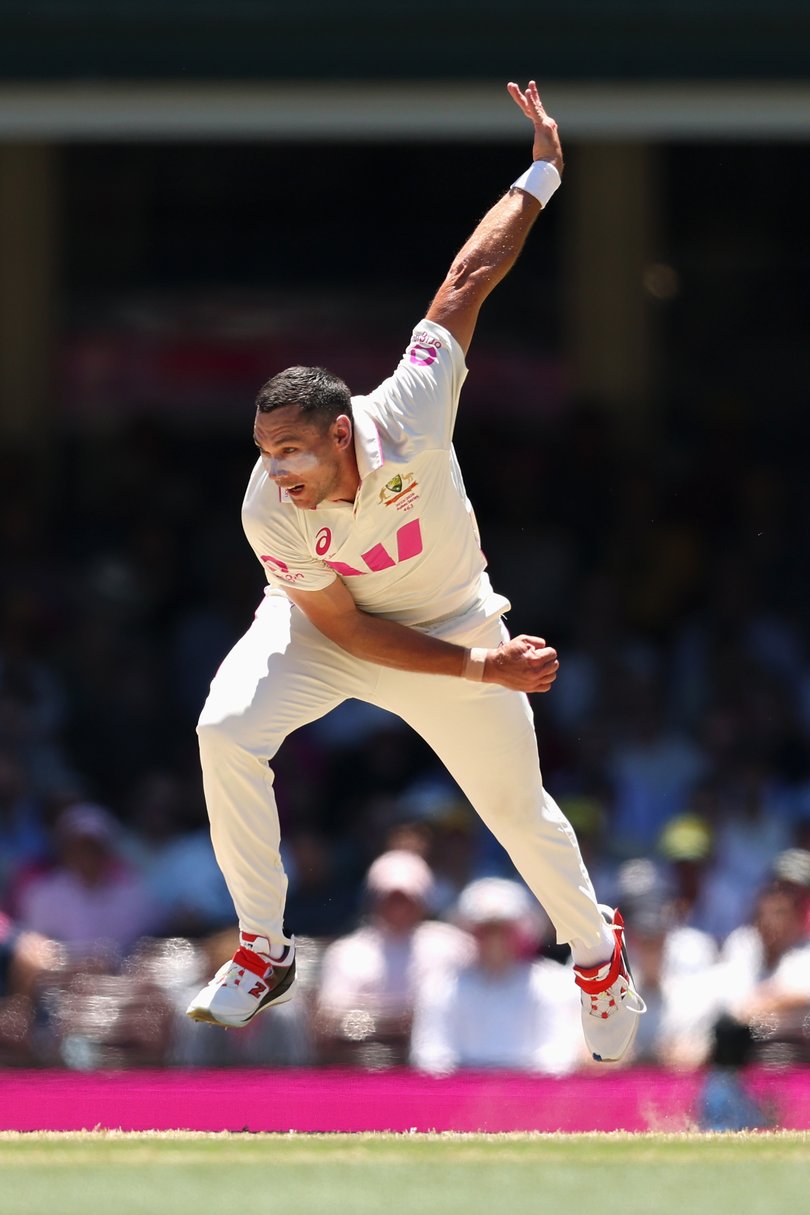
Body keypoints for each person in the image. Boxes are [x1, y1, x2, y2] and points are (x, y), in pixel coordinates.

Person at [186, 80, 645, 1063]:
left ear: (343, 431)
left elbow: (468, 278)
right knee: (225, 730)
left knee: (519, 814)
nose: (280, 472)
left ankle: (600, 956)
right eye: (266, 452)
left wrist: (542, 173)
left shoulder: (414, 405)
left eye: (296, 452)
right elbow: (349, 633)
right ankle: (264, 947)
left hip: (453, 620)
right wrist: (485, 671)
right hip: (329, 631)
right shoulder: (268, 508)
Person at [410, 877, 581, 1074]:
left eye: (503, 930)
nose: (495, 940)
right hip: (459, 1094)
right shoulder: (441, 986)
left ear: (521, 932)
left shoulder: (550, 984)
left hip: (530, 1096)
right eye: (486, 930)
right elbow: (431, 1054)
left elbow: (557, 1055)